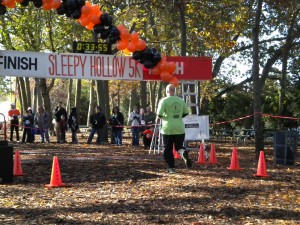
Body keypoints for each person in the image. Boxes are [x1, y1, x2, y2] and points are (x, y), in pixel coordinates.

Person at [156, 84, 191, 173]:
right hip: (179, 127)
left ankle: (171, 168)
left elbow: (159, 115)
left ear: (167, 91)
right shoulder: (181, 100)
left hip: (168, 128)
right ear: (174, 91)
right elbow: (186, 113)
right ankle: (183, 152)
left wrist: (164, 118)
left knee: (167, 149)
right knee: (179, 146)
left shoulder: (163, 101)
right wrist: (177, 117)